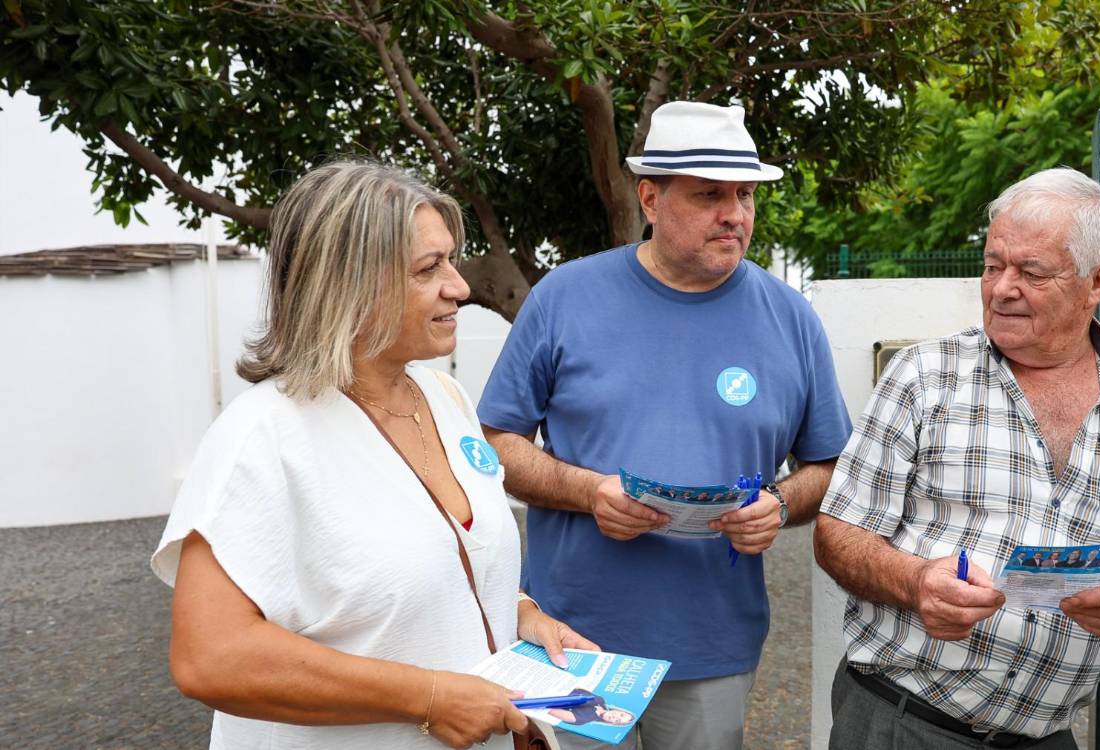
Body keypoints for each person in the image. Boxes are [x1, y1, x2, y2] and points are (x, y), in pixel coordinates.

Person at [813, 167, 1100, 748]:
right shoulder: (924, 377)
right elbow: (837, 534)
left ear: (1097, 282)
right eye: (992, 264)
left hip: (1044, 735)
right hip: (902, 721)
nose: (1001, 287)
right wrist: (915, 582)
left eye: (1031, 272)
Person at [151, 161, 596, 750]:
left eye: (451, 261)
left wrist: (519, 612)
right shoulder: (263, 436)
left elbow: (445, 555)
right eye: (428, 268)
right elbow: (212, 658)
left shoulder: (445, 398)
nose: (460, 287)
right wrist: (431, 698)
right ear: (347, 284)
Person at [477, 101, 852, 750]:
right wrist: (589, 491)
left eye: (744, 195)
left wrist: (779, 504)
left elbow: (830, 466)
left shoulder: (790, 318)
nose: (734, 213)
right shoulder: (563, 299)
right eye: (709, 195)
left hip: (714, 642)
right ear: (650, 199)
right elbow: (495, 445)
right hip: (569, 640)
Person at [544, 689, 637, 728]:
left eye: (618, 720)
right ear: (619, 710)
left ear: (612, 723)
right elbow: (578, 688)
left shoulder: (582, 719)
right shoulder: (600, 700)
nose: (615, 717)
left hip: (545, 695)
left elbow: (547, 708)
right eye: (621, 715)